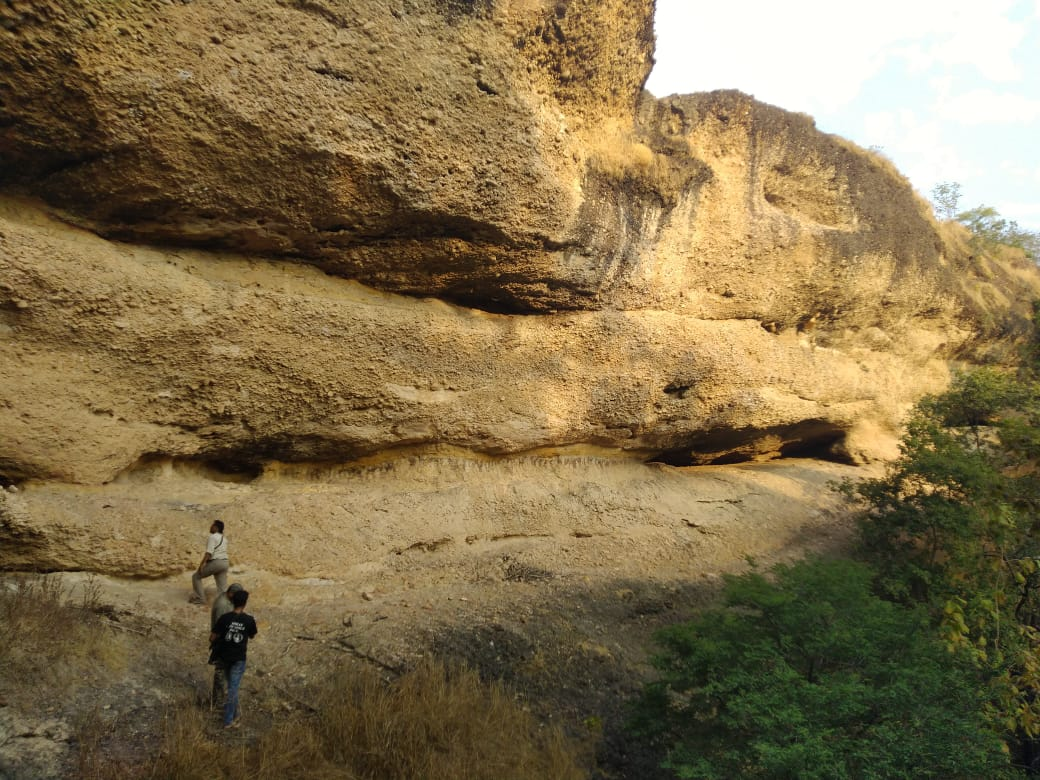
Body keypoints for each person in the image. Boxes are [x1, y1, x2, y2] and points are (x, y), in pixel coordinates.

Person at [209, 588, 258, 729]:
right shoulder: (249, 620)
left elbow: (212, 637)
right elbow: (252, 635)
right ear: (245, 604)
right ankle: (229, 721)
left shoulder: (224, 618)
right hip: (238, 659)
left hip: (224, 657)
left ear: (232, 601)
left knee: (231, 687)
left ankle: (235, 715)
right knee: (233, 689)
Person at [209, 583, 244, 706]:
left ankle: (219, 699)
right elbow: (220, 629)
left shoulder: (227, 599)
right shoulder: (222, 605)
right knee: (220, 673)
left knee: (223, 672)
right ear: (231, 593)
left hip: (224, 641)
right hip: (222, 643)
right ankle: (217, 702)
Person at [190, 520, 229, 605]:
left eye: (212, 525)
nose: (210, 527)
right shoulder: (224, 539)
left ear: (216, 527)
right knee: (222, 588)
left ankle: (200, 599)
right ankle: (224, 604)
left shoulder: (213, 537)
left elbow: (209, 553)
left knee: (196, 577)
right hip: (225, 563)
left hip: (216, 562)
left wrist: (201, 565)